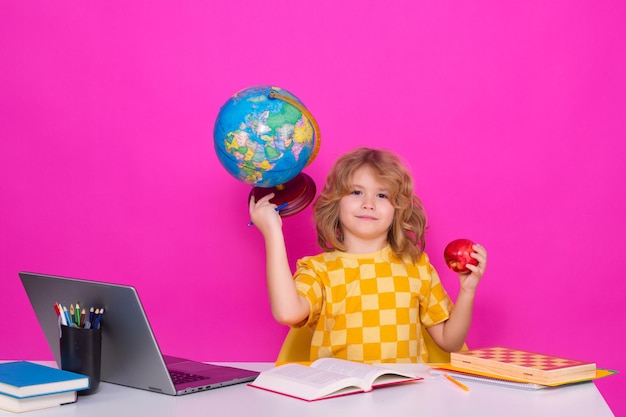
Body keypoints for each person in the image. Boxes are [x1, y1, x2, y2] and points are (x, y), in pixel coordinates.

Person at [249, 147, 487, 363]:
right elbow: (287, 312)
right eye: (356, 192)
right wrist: (272, 232)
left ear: (398, 210)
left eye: (382, 195)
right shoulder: (318, 270)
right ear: (336, 204)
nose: (369, 203)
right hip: (342, 400)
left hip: (407, 399)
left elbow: (450, 342)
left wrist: (467, 290)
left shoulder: (417, 267)